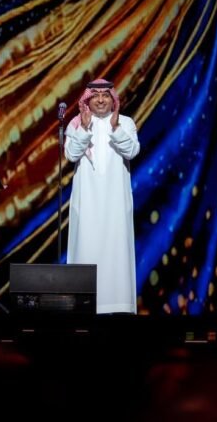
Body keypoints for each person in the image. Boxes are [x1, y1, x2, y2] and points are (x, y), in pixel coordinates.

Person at [64, 78, 140, 314]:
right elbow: (71, 155)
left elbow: (132, 151)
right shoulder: (76, 124)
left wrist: (115, 129)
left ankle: (118, 306)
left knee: (117, 256)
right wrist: (84, 129)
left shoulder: (125, 123)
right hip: (87, 204)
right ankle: (84, 306)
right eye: (95, 95)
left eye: (105, 95)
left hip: (115, 205)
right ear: (87, 99)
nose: (100, 100)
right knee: (86, 251)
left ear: (112, 99)